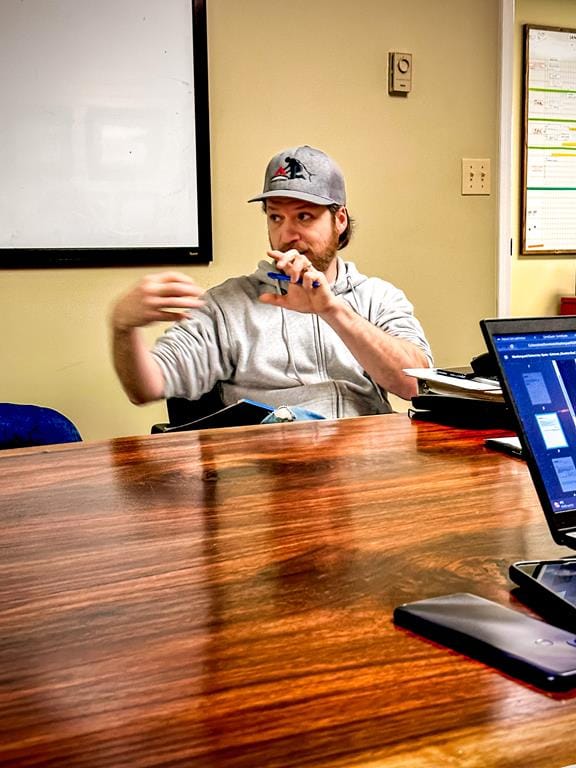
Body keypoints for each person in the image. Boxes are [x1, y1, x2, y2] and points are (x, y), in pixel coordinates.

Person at [110, 145, 432, 420]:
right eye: (276, 217)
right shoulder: (227, 306)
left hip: (366, 472)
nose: (287, 234)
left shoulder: (378, 297)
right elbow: (147, 386)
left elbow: (415, 385)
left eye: (304, 216)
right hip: (273, 474)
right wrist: (123, 328)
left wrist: (332, 310)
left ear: (340, 220)